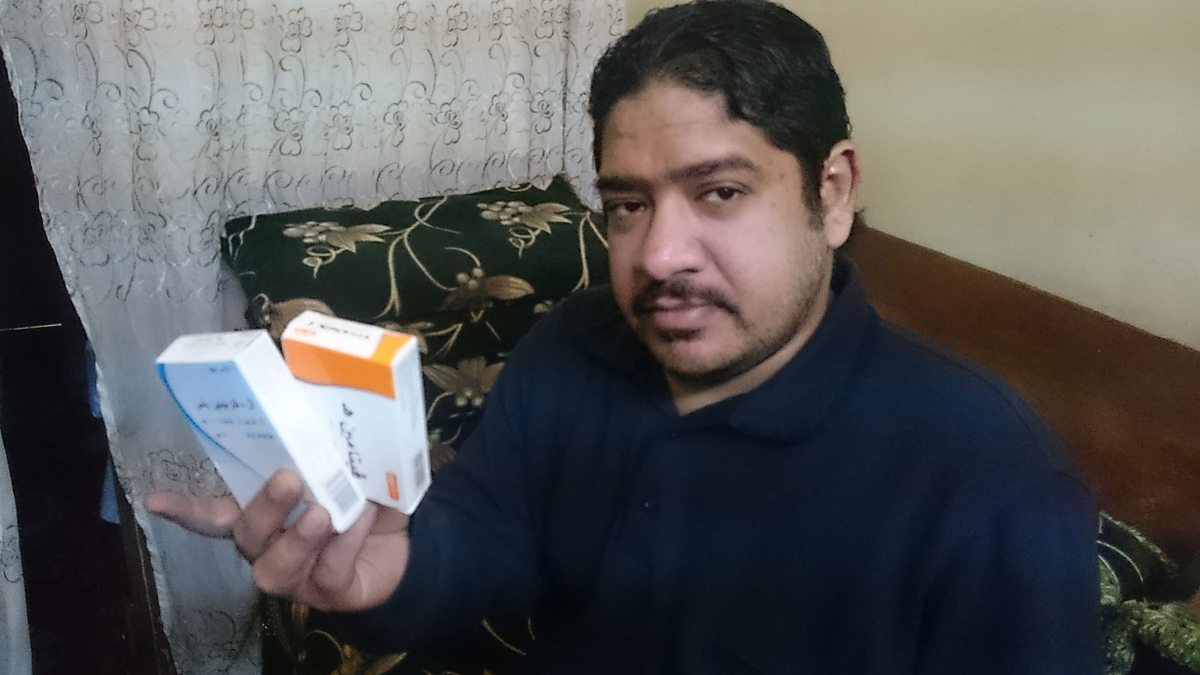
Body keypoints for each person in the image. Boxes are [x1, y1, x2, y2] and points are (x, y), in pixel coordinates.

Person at [148, 1, 1102, 672]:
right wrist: (381, 573)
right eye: (628, 205)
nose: (659, 256)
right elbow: (486, 537)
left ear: (834, 191)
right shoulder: (575, 343)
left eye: (719, 192)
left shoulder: (989, 481)